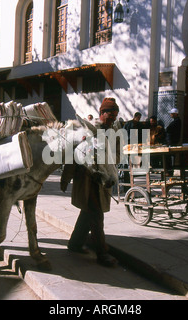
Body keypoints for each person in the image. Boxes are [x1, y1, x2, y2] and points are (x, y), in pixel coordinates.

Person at [60, 97, 119, 267]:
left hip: (103, 179)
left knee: (89, 212)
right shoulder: (89, 130)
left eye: (115, 118)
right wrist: (66, 178)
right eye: (110, 117)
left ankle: (75, 243)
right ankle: (102, 253)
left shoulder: (113, 131)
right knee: (96, 213)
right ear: (102, 114)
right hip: (88, 180)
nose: (112, 121)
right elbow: (74, 153)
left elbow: (114, 156)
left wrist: (109, 170)